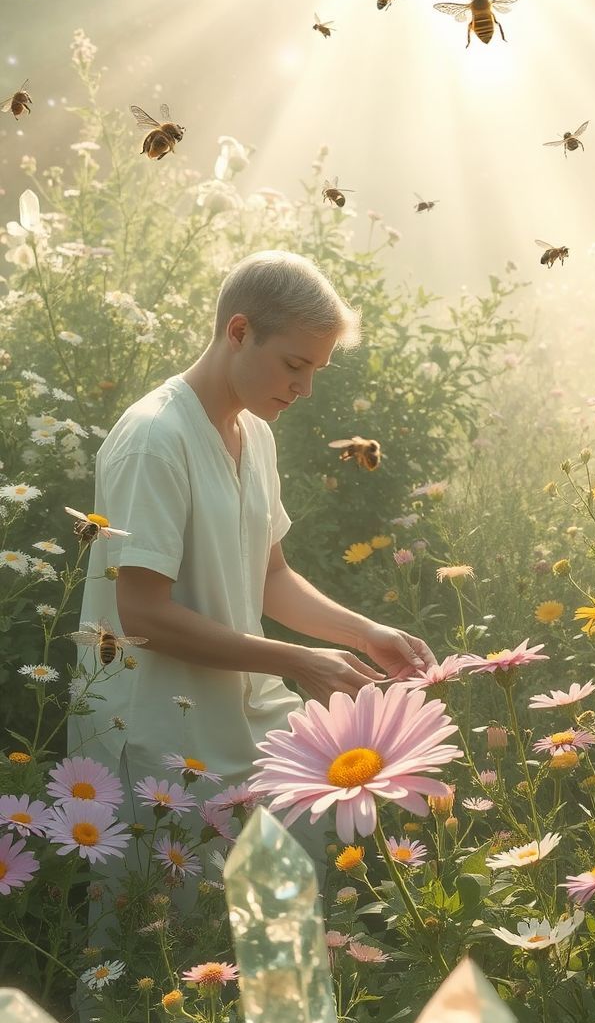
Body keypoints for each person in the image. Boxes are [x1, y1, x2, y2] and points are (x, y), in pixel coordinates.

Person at [66, 249, 436, 846]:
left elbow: (270, 575)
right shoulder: (155, 439)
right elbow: (142, 615)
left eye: (316, 369)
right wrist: (298, 659)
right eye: (295, 363)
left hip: (252, 719)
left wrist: (364, 634)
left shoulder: (255, 433)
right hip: (165, 737)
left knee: (286, 913)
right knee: (170, 933)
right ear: (239, 331)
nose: (306, 388)